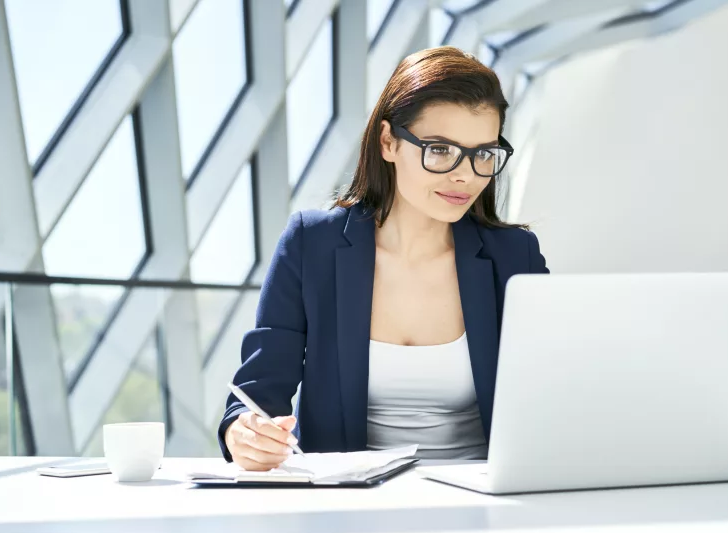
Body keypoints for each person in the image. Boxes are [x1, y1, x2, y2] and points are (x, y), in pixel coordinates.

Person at [219, 46, 549, 470]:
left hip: (484, 498)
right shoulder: (312, 245)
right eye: (441, 150)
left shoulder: (514, 257)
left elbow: (552, 392)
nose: (465, 175)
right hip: (350, 505)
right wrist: (245, 432)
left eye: (483, 153)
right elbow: (256, 393)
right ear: (389, 142)